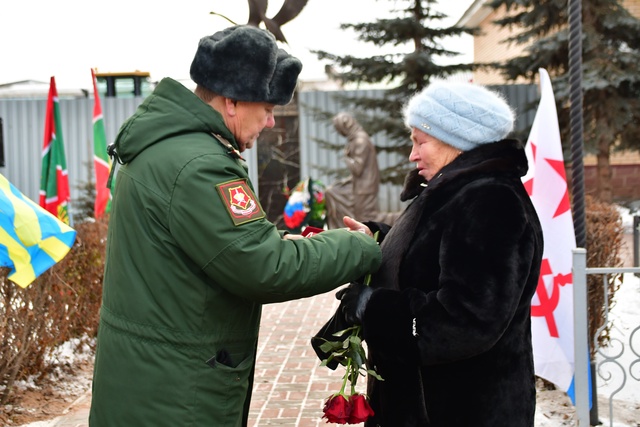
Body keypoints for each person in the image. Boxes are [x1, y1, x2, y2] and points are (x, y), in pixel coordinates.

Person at [89, 25, 381, 427]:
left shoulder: (168, 146)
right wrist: (357, 246)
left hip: (151, 378)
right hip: (176, 396)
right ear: (231, 102)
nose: (272, 123)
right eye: (267, 108)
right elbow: (264, 266)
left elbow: (221, 247)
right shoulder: (200, 166)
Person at [327, 82, 544, 427]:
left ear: (456, 140)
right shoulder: (457, 191)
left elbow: (465, 320)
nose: (412, 154)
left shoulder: (490, 202)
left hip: (461, 411)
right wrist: (378, 239)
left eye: (419, 141)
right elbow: (434, 250)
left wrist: (375, 307)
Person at [325, 112, 380, 229]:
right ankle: (341, 229)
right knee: (332, 191)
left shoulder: (360, 141)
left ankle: (397, 221)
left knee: (366, 219)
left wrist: (346, 157)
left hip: (364, 187)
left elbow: (357, 169)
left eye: (340, 130)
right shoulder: (356, 139)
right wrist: (345, 181)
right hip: (359, 184)